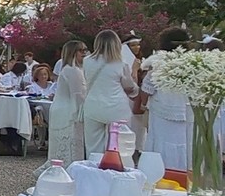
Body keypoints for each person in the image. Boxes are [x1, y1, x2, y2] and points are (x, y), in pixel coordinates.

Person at [139, 27, 191, 171]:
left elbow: (146, 89)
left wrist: (143, 105)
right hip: (185, 112)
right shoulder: (192, 63)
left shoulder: (158, 64)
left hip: (161, 112)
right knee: (183, 144)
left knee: (160, 144)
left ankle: (160, 174)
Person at [82, 30, 139, 156]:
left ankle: (94, 165)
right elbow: (129, 86)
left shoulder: (87, 61)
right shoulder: (120, 63)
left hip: (93, 106)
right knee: (119, 146)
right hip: (116, 107)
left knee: (93, 146)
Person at [48, 41, 87, 164]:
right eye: (81, 50)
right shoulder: (72, 70)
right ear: (72, 52)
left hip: (64, 109)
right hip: (69, 112)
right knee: (70, 146)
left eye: (85, 50)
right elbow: (78, 95)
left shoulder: (74, 69)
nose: (84, 53)